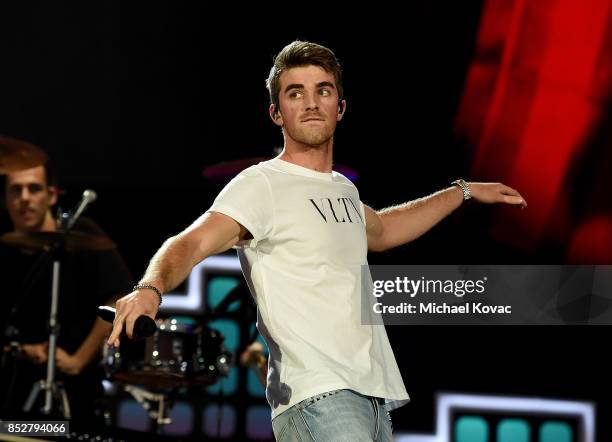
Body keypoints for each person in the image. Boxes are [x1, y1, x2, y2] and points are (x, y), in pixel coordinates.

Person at [108, 41, 527, 441]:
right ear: (277, 112)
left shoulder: (342, 189)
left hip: (371, 394)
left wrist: (462, 191)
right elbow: (191, 242)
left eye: (322, 91)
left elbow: (384, 229)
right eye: (295, 93)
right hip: (317, 394)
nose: (310, 102)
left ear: (340, 107)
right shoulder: (262, 184)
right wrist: (150, 288)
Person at [0, 160, 133, 428]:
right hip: (13, 384)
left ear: (51, 195)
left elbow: (118, 297)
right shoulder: (5, 249)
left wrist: (79, 359)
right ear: (5, 199)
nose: (25, 198)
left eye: (34, 189)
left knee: (56, 434)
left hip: (72, 384)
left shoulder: (81, 234)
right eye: (16, 190)